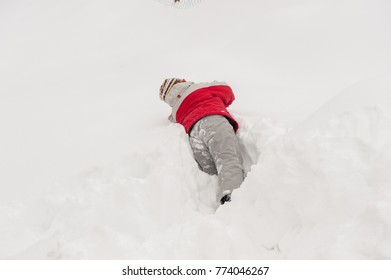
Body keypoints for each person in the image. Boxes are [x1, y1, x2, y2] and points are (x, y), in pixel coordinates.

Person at [159, 78, 244, 204]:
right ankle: (232, 199)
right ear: (182, 82)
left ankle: (215, 208)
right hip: (213, 121)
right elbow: (227, 92)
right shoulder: (198, 88)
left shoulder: (175, 112)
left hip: (194, 134)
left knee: (211, 175)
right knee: (227, 159)